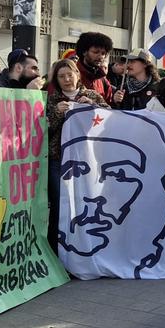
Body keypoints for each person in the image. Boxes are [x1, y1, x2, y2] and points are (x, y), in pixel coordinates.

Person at [45, 59, 108, 252]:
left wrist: (92, 107)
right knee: (59, 206)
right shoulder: (51, 100)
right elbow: (43, 130)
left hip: (86, 161)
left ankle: (83, 251)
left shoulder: (91, 95)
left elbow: (111, 121)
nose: (66, 79)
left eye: (69, 75)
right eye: (61, 76)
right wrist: (55, 113)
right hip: (59, 160)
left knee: (84, 205)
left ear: (77, 75)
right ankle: (57, 252)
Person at [54, 32, 115, 102]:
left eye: (103, 53)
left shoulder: (102, 79)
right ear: (84, 52)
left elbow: (108, 107)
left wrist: (115, 100)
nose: (100, 56)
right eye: (96, 52)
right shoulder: (71, 74)